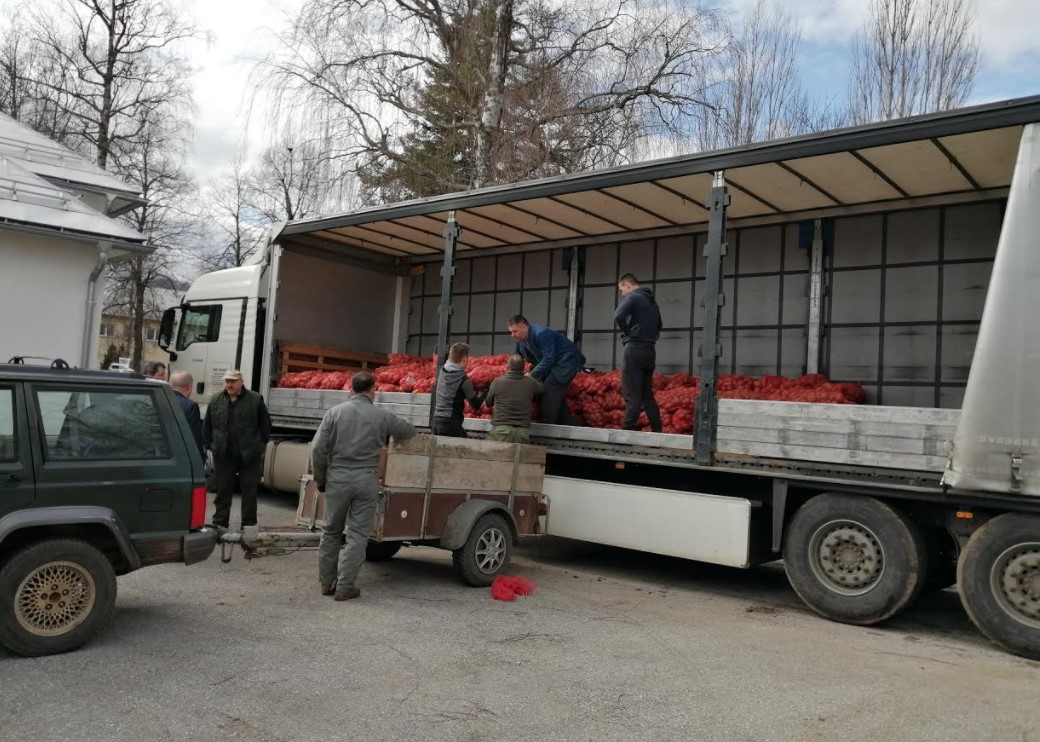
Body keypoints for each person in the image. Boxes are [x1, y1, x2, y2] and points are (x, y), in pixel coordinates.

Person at [311, 371, 416, 601]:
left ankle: (326, 582)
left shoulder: (334, 413)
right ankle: (345, 586)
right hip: (366, 479)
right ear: (373, 391)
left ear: (351, 389)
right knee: (357, 535)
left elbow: (317, 449)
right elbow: (409, 431)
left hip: (337, 478)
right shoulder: (381, 416)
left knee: (330, 531)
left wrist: (321, 479)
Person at [203, 369, 271, 529]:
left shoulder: (255, 399)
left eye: (233, 381)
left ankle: (248, 525)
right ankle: (220, 524)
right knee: (222, 491)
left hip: (249, 454)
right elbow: (207, 425)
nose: (229, 384)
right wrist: (209, 445)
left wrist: (259, 446)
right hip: (224, 454)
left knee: (249, 491)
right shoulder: (216, 399)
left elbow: (265, 426)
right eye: (227, 381)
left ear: (241, 382)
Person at [507, 314, 585, 426]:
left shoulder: (541, 334)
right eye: (511, 332)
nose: (512, 335)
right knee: (556, 397)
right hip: (552, 364)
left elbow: (549, 358)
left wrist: (532, 375)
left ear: (524, 327)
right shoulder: (521, 340)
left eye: (515, 331)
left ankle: (547, 425)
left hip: (566, 362)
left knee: (549, 389)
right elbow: (517, 357)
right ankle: (569, 426)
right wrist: (512, 374)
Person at [614, 274, 663, 432]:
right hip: (650, 351)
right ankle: (657, 431)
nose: (622, 294)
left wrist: (628, 331)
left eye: (621, 290)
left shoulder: (633, 297)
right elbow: (659, 326)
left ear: (628, 285)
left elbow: (618, 315)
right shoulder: (653, 303)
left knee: (632, 396)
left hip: (634, 350)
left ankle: (625, 432)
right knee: (647, 396)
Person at [485, 355, 542, 443]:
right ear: (523, 368)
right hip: (522, 434)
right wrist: (531, 376)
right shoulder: (530, 382)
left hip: (501, 431)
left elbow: (488, 403)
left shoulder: (497, 382)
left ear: (508, 367)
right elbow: (541, 389)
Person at [431, 342, 484, 438]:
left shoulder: (442, 371)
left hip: (436, 422)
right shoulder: (463, 379)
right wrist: (484, 392)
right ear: (464, 359)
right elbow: (476, 404)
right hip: (451, 424)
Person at [169, 370, 205, 457]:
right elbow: (194, 436)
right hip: (182, 454)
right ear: (189, 387)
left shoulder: (160, 400)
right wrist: (200, 457)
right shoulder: (191, 406)